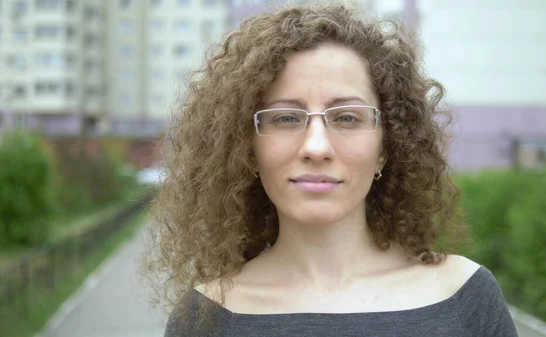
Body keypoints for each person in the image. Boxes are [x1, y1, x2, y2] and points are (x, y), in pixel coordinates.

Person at [140, 3, 519, 337]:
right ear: (247, 150)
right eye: (286, 117)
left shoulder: (463, 296)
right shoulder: (204, 319)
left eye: (347, 118)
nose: (316, 147)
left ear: (386, 148)